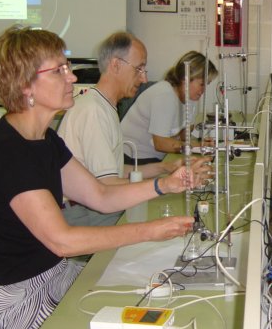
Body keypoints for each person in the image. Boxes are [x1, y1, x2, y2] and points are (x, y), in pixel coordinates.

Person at [0, 26, 201, 329]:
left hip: (50, 273)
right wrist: (148, 231)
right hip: (7, 299)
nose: (72, 78)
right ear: (25, 84)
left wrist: (164, 184)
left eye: (68, 68)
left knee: (136, 297)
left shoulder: (45, 139)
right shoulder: (6, 151)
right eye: (59, 71)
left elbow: (100, 195)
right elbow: (62, 240)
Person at [57, 32, 211, 226]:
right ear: (115, 65)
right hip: (83, 213)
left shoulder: (105, 106)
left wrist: (167, 168)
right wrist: (163, 185)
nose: (144, 79)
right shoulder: (93, 111)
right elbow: (106, 186)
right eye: (139, 69)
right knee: (163, 216)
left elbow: (114, 172)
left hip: (93, 205)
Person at [121, 51, 218, 164]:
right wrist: (196, 146)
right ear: (186, 79)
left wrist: (202, 143)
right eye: (202, 84)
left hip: (158, 155)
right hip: (134, 158)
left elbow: (184, 135)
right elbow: (160, 144)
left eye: (207, 84)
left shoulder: (190, 97)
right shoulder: (164, 96)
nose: (203, 90)